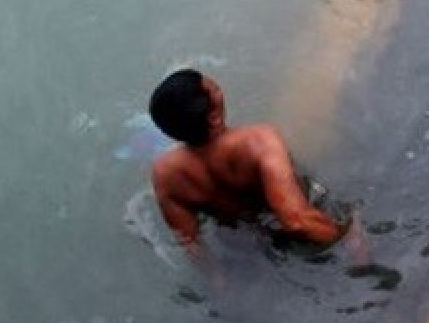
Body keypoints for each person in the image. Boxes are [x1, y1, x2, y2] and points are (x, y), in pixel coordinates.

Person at [148, 69, 352, 257]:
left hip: (246, 244)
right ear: (214, 117)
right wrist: (347, 234)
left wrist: (219, 283)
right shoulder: (259, 141)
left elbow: (191, 246)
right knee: (352, 219)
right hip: (309, 229)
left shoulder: (165, 174)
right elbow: (296, 221)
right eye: (216, 89)